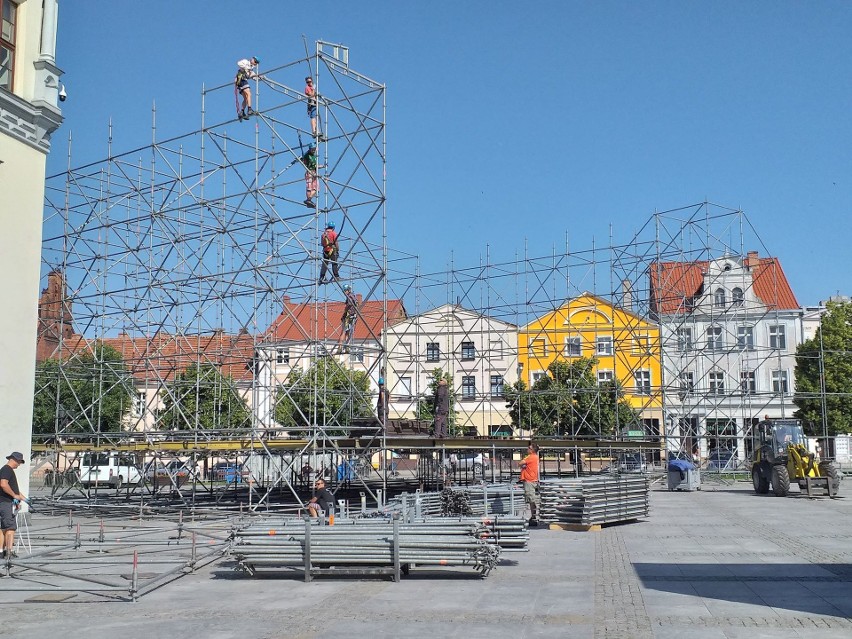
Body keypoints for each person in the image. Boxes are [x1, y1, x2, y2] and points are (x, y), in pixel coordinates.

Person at [0, 452, 27, 559]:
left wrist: (26, 500)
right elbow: (3, 484)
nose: (19, 464)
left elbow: (15, 491)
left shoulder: (7, 470)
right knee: (10, 528)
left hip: (6, 503)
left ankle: (2, 552)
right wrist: (14, 496)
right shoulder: (7, 470)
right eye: (19, 462)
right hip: (6, 503)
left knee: (3, 528)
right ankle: (8, 553)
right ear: (14, 459)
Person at [518, 443, 540, 526]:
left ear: (532, 450)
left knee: (531, 500)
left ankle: (533, 518)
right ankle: (533, 517)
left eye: (529, 448)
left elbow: (520, 463)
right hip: (533, 480)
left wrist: (523, 466)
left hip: (529, 480)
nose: (527, 449)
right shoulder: (535, 457)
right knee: (531, 499)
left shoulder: (531, 457)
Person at [301, 143, 322, 208]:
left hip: (312, 172)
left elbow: (315, 166)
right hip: (310, 172)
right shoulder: (309, 156)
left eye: (314, 149)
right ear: (310, 149)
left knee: (314, 188)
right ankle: (308, 200)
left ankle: (309, 200)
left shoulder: (313, 156)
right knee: (311, 188)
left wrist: (322, 166)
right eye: (312, 149)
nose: (314, 151)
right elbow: (312, 165)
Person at [339, 285, 358, 353]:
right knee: (347, 332)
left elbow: (349, 304)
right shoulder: (354, 296)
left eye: (345, 291)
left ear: (348, 290)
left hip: (348, 316)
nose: (344, 292)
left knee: (343, 331)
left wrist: (345, 310)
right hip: (353, 316)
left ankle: (340, 347)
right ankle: (347, 347)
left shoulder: (349, 296)